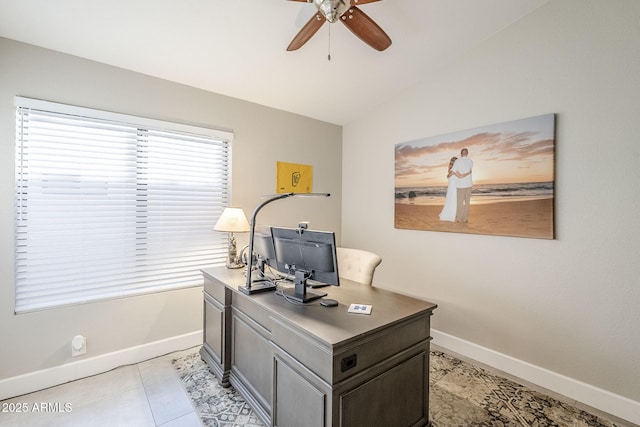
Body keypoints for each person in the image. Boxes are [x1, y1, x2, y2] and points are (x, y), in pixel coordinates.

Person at [452, 148, 473, 223]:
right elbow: (470, 171)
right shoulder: (471, 161)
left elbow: (454, 171)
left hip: (460, 185)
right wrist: (467, 173)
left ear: (461, 154)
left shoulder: (457, 161)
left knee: (460, 202)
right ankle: (465, 218)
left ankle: (459, 218)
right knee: (467, 202)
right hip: (468, 184)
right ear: (467, 153)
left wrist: (460, 175)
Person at [439, 157, 459, 221]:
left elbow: (448, 176)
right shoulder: (454, 169)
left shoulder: (451, 169)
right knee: (453, 201)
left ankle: (451, 214)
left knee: (450, 201)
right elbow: (450, 176)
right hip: (453, 188)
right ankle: (450, 215)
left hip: (451, 188)